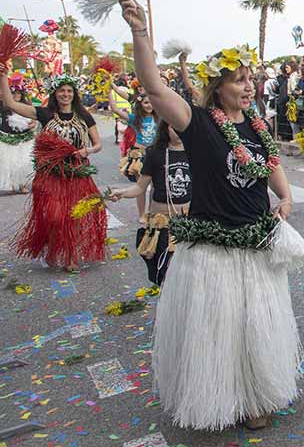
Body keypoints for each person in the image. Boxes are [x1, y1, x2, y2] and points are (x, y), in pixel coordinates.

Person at [118, 0, 304, 432]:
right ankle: (221, 400)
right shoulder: (198, 122)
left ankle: (256, 398)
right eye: (239, 80)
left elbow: (270, 166)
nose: (248, 85)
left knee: (256, 326)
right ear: (218, 87)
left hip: (256, 243)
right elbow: (154, 88)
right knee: (220, 329)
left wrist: (285, 197)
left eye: (250, 78)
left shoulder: (257, 125)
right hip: (212, 248)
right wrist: (140, 31)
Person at [0, 68, 105, 271]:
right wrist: (3, 77)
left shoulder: (83, 115)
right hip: (50, 174)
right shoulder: (44, 113)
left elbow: (98, 144)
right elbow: (11, 104)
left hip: (77, 173)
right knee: (55, 217)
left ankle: (71, 256)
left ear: (74, 94)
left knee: (75, 216)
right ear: (55, 93)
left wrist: (88, 150)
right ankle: (53, 246)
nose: (66, 94)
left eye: (69, 91)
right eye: (61, 90)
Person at [109, 121, 191, 286]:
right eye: (173, 126)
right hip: (162, 222)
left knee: (186, 274)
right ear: (166, 127)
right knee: (164, 272)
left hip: (188, 222)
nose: (178, 130)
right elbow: (140, 187)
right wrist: (122, 193)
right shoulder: (155, 153)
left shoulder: (195, 151)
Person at [0, 73, 36, 193]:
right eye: (13, 93)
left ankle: (22, 184)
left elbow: (34, 117)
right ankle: (10, 183)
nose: (16, 95)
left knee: (24, 162)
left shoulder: (27, 106)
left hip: (25, 139)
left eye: (18, 93)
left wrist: (34, 123)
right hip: (7, 138)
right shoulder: (4, 105)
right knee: (10, 162)